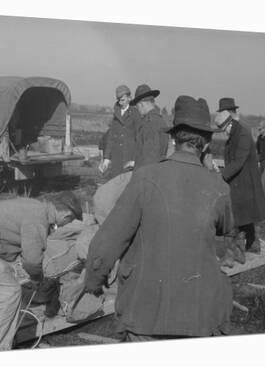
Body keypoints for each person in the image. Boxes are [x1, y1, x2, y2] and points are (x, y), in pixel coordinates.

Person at [84, 96, 234, 342]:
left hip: (145, 314)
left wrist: (94, 280)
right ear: (206, 144)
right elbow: (227, 228)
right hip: (198, 316)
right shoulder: (219, 188)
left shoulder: (144, 178)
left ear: (174, 138)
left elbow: (107, 242)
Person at [0, 192, 83, 352]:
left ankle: (1, 342)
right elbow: (32, 260)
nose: (63, 225)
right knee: (9, 294)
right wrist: (37, 278)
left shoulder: (35, 206)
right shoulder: (38, 217)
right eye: (68, 221)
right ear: (66, 214)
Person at [214, 98, 265, 254]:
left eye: (225, 129)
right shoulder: (235, 132)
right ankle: (252, 245)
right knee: (246, 215)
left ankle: (238, 251)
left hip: (245, 181)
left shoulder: (242, 133)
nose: (224, 132)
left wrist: (220, 176)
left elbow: (238, 161)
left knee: (240, 216)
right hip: (239, 180)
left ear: (230, 119)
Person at [98, 85, 141, 180]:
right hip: (116, 158)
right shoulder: (116, 114)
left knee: (127, 185)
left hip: (129, 157)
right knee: (115, 184)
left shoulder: (135, 114)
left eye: (123, 100)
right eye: (119, 100)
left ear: (129, 98)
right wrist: (106, 159)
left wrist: (135, 159)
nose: (121, 103)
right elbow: (110, 138)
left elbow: (139, 138)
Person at [129, 84, 169, 169]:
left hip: (147, 176)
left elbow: (149, 159)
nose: (137, 110)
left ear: (141, 104)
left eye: (137, 107)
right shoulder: (160, 121)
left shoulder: (149, 124)